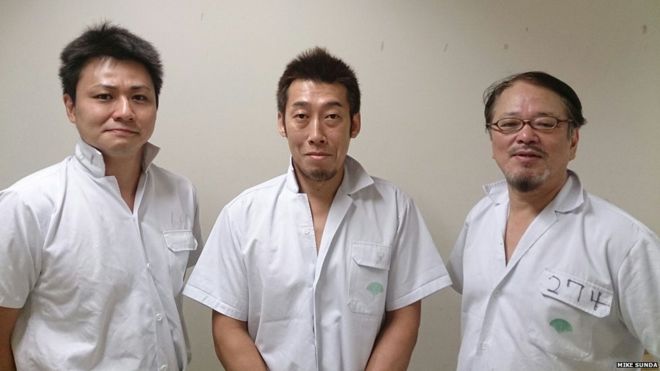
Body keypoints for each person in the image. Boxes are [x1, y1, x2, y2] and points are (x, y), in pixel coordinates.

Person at [183, 47, 451, 370]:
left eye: (331, 117)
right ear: (282, 123)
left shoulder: (395, 209)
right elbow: (228, 325)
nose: (316, 134)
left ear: (354, 124)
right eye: (301, 116)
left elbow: (404, 317)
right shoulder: (242, 215)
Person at [0, 22, 201, 370]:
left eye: (139, 97)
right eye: (104, 96)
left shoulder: (180, 193)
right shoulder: (29, 204)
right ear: (71, 106)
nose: (124, 111)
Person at [448, 71, 660, 370]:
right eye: (509, 124)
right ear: (492, 139)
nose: (525, 136)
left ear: (573, 139)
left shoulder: (625, 242)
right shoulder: (480, 217)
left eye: (545, 123)